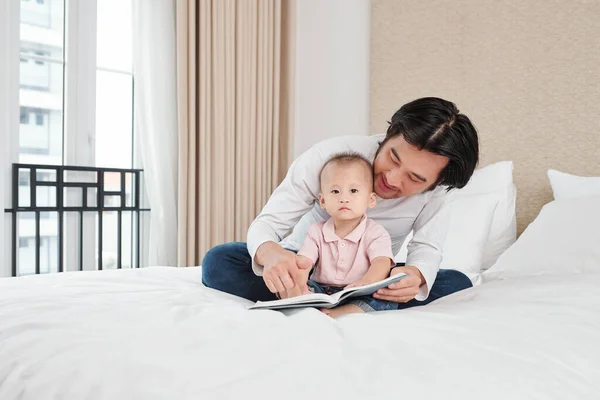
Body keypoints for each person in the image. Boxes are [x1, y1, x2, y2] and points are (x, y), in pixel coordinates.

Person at [202, 97, 479, 310]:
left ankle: (316, 301)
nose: (392, 180)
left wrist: (416, 276)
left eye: (415, 178)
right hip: (303, 267)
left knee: (458, 283)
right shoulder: (331, 156)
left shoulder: (440, 191)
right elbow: (268, 224)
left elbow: (426, 248)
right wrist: (272, 255)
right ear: (390, 132)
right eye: (393, 159)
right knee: (219, 261)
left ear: (436, 182)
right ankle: (326, 297)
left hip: (372, 276)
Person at [296, 152, 398, 318]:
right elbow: (304, 262)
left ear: (370, 200)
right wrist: (300, 284)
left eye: (353, 190)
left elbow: (381, 262)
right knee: (299, 286)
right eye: (335, 191)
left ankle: (344, 311)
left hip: (357, 292)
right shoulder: (316, 231)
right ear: (323, 201)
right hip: (322, 289)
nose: (344, 198)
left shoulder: (375, 233)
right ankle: (311, 304)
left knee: (387, 297)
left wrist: (367, 282)